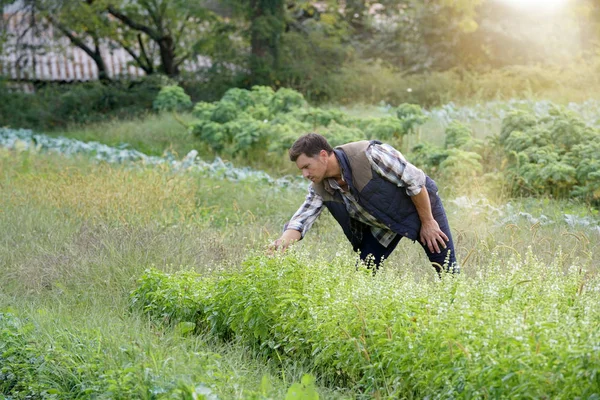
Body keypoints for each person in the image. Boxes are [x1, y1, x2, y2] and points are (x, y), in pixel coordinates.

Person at [270, 133, 458, 274]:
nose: (305, 174)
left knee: (447, 269)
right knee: (363, 274)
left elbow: (414, 182)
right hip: (382, 225)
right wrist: (283, 242)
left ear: (323, 156)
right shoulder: (319, 187)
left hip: (420, 208)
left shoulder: (369, 154)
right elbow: (302, 218)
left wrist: (428, 222)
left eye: (306, 166)